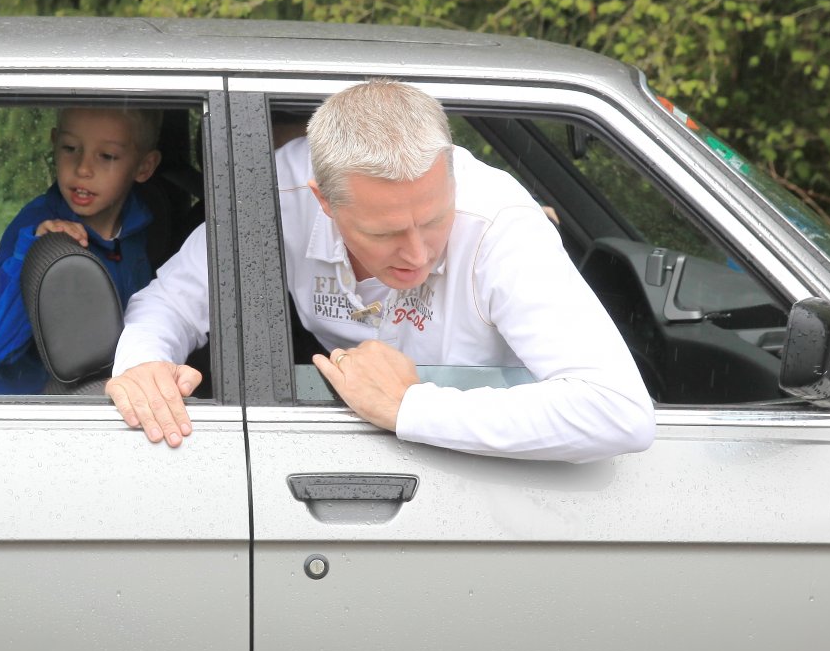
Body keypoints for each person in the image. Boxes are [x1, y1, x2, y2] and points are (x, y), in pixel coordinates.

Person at [108, 79, 655, 462]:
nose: (417, 253)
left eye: (434, 220)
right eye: (385, 232)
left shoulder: (500, 223)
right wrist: (143, 365)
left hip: (496, 471)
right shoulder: (277, 192)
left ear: (450, 178)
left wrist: (409, 408)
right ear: (323, 202)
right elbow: (169, 302)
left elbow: (619, 411)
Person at [0, 106, 163, 394]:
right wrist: (33, 252)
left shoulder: (138, 230)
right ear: (54, 143)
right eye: (70, 148)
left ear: (144, 167)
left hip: (90, 402)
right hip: (14, 409)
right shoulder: (35, 225)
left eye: (107, 156)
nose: (83, 169)